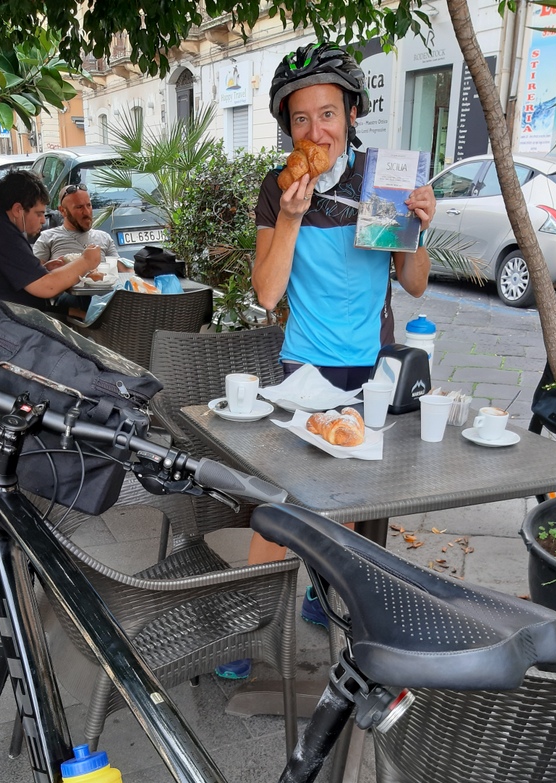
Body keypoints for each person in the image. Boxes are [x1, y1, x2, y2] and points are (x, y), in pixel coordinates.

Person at [217, 42, 437, 680]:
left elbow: (415, 282)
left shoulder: (381, 179)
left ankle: (333, 602)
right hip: (304, 368)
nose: (317, 131)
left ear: (352, 114)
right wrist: (288, 220)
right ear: (289, 128)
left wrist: (418, 227)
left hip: (371, 370)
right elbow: (266, 292)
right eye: (302, 119)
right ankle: (250, 626)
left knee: (357, 499)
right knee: (283, 504)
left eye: (328, 115)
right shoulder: (280, 185)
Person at [0, 170, 102, 316]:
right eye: (39, 214)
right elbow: (47, 287)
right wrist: (86, 261)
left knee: (80, 312)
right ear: (18, 209)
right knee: (88, 317)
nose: (42, 221)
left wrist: (42, 270)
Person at [32, 183, 125, 271]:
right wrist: (47, 269)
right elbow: (33, 275)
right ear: (63, 211)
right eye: (79, 207)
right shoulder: (47, 237)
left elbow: (123, 271)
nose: (87, 212)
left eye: (88, 205)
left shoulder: (104, 238)